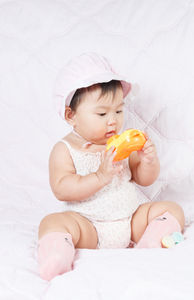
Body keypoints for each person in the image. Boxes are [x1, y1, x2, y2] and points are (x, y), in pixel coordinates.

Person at [37, 52, 185, 281]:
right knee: (53, 222)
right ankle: (57, 255)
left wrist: (147, 161)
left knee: (171, 209)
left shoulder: (120, 144)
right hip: (89, 226)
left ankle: (152, 244)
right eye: (102, 113)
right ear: (71, 115)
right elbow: (61, 188)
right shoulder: (65, 149)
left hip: (130, 220)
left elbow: (143, 179)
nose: (113, 120)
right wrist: (99, 176)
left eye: (118, 110)